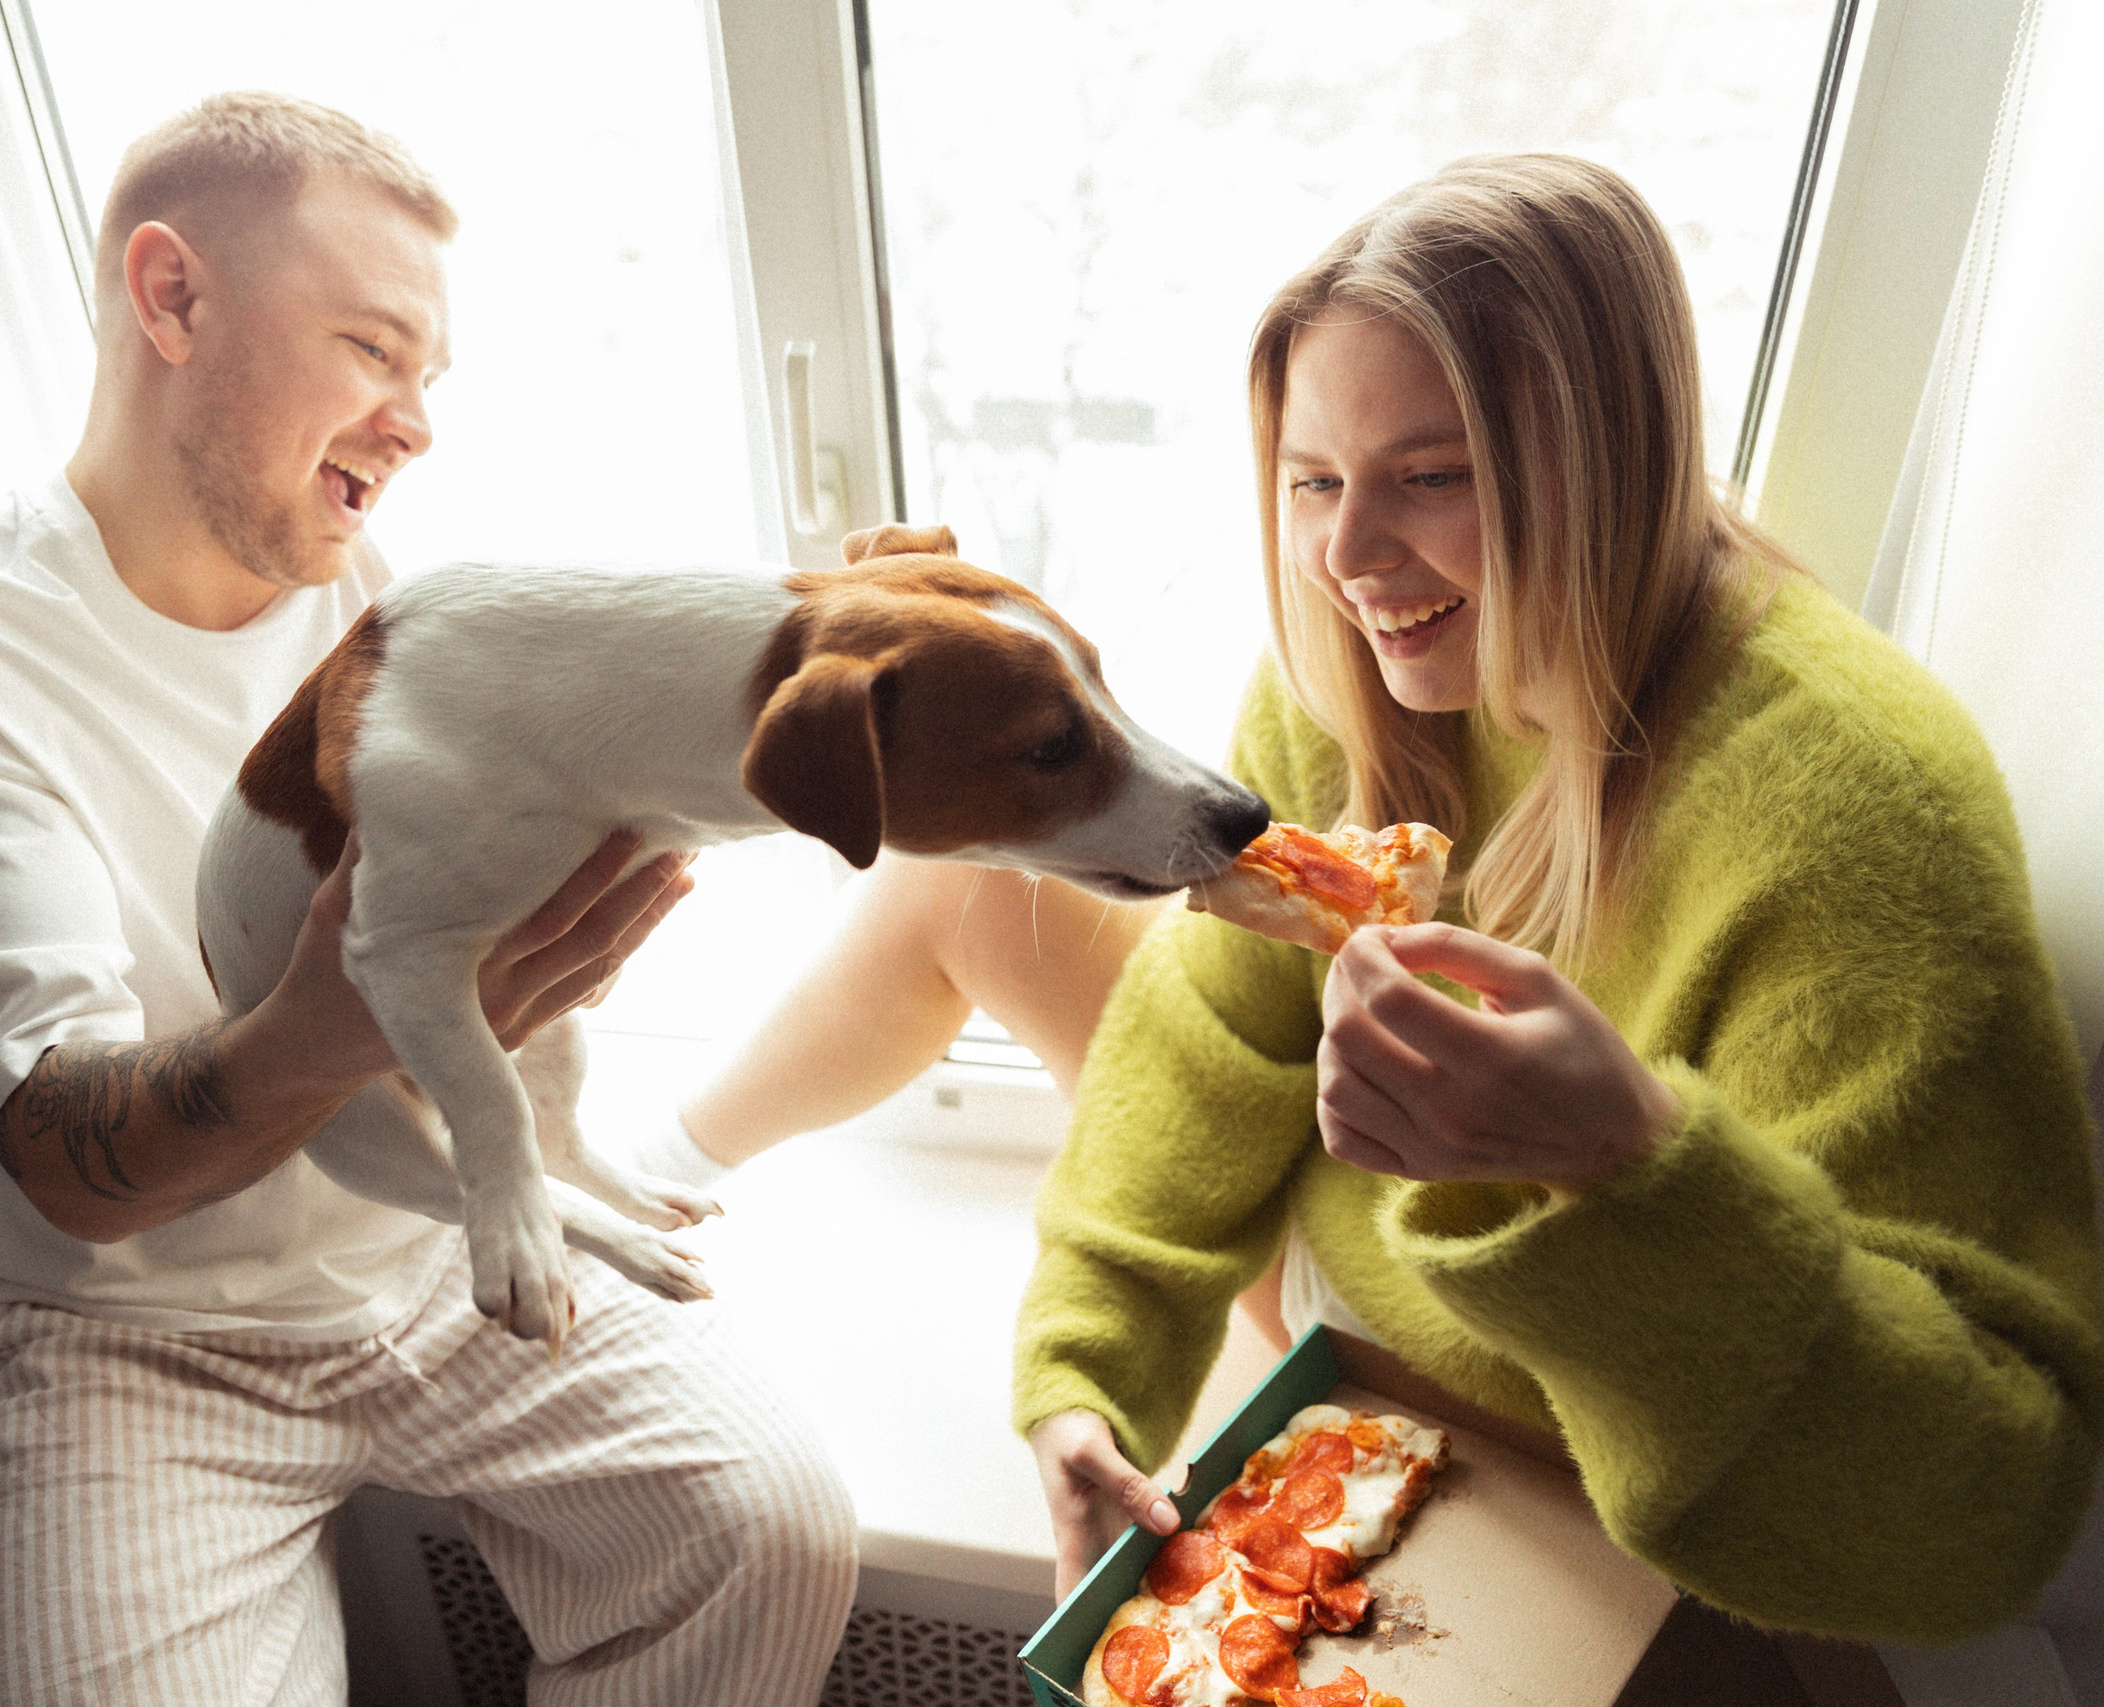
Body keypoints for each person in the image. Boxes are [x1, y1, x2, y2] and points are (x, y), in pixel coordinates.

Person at [660, 154, 2104, 1641]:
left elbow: (1979, 1524)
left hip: (1604, 1460)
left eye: (1432, 477)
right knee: (956, 884)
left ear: (1609, 460)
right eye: (1314, 481)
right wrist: (1086, 1369)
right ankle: (644, 1182)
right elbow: (1207, 1046)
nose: (1350, 561)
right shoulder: (1342, 690)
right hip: (1345, 1330)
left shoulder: (1859, 819)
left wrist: (1636, 1168)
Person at [0, 92, 855, 1706]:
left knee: (767, 1532)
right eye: (372, 349)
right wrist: (352, 1027)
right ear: (173, 297)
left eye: (428, 378)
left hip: (427, 1244)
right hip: (131, 1340)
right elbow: (70, 1171)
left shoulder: (403, 625)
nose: (415, 422)